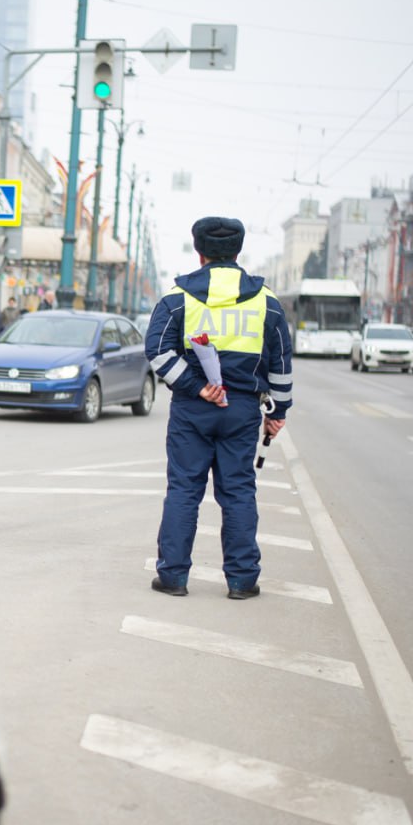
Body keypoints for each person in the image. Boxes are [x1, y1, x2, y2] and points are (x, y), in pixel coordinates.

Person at [144, 216, 293, 601]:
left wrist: (196, 387)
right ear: (238, 253)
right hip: (241, 411)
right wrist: (278, 414)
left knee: (183, 491)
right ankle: (242, 582)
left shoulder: (178, 298)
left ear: (200, 253)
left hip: (192, 411)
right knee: (239, 492)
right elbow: (280, 363)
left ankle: (173, 578)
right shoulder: (267, 302)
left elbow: (157, 351)